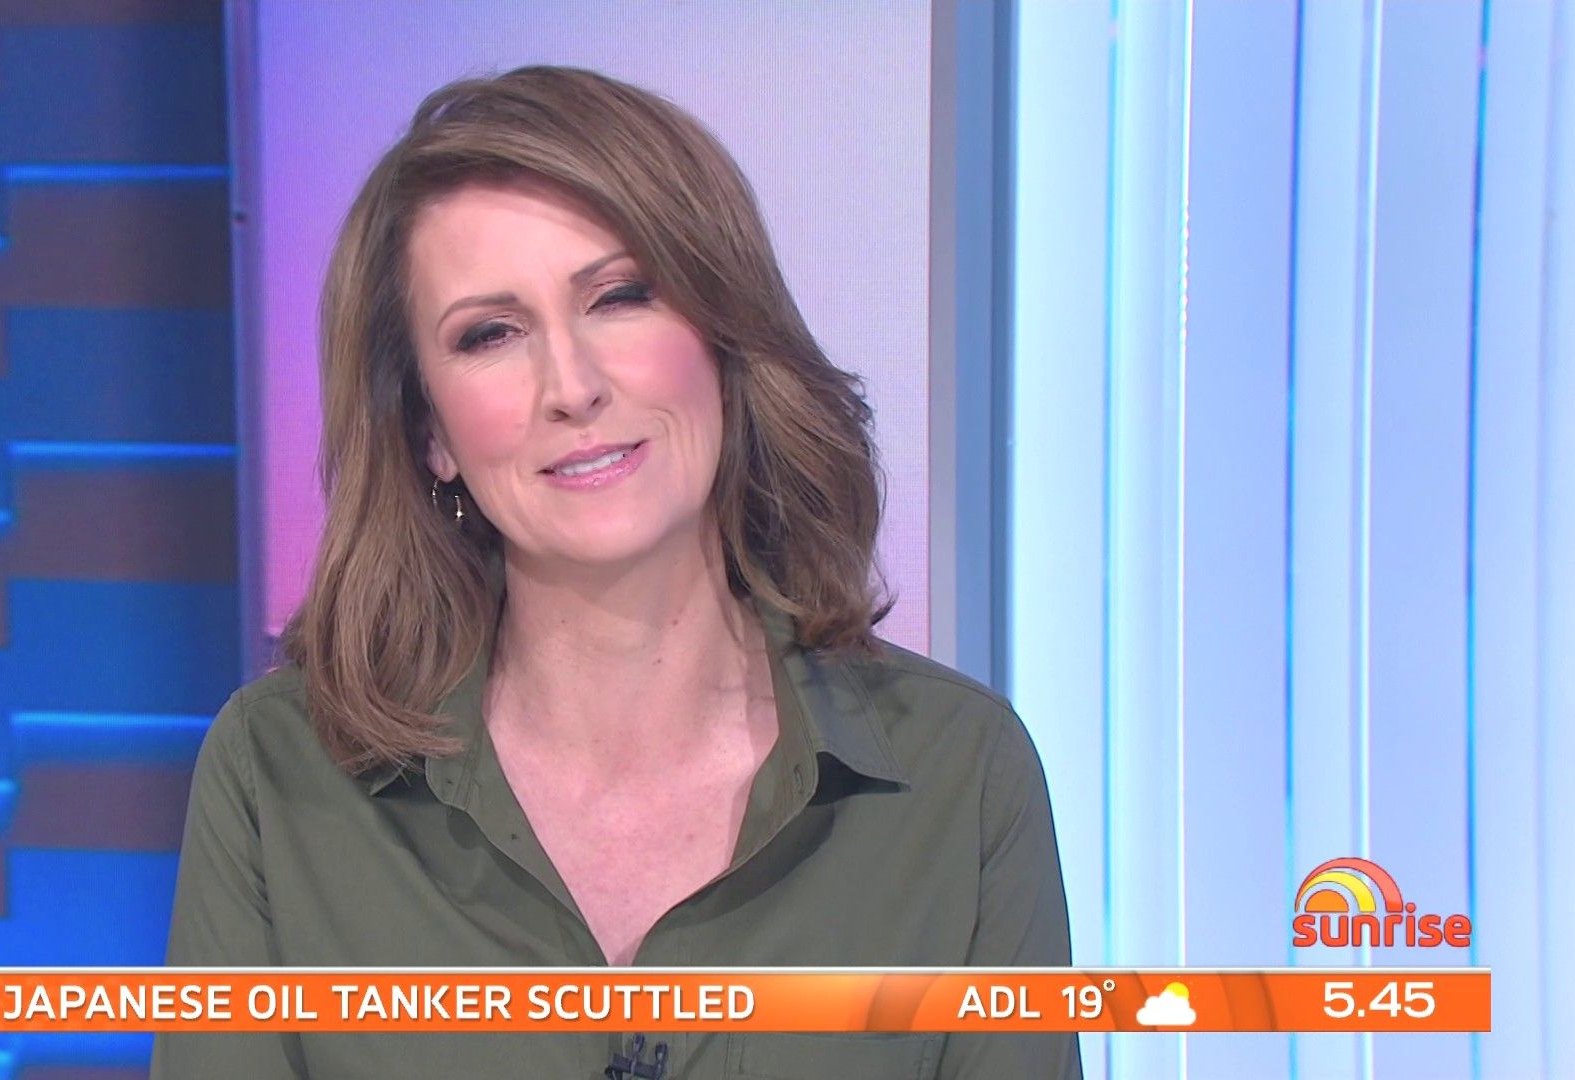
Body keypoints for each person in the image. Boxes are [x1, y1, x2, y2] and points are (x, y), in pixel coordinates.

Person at [153, 65, 1080, 1079]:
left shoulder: (958, 774)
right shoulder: (280, 773)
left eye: (620, 296)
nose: (574, 386)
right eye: (491, 334)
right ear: (431, 433)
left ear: (723, 335)